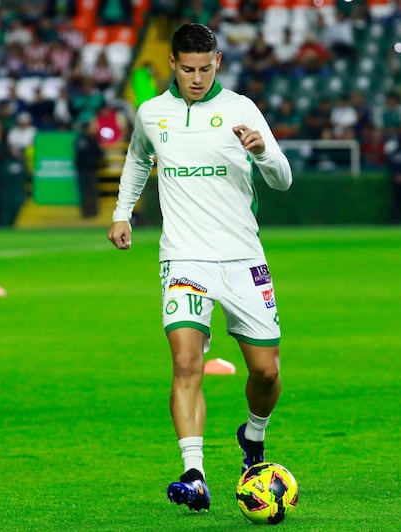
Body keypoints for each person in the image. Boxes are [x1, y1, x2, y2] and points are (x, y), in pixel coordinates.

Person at [106, 23, 293, 512]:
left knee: (266, 372)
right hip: (183, 257)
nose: (196, 78)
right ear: (172, 63)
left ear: (219, 62)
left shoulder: (241, 109)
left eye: (205, 69)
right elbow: (137, 161)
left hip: (243, 259)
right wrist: (121, 213)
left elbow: (283, 179)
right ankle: (194, 474)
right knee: (187, 363)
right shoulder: (153, 114)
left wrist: (263, 151)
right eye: (187, 69)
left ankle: (253, 437)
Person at [74, 119, 103, 218]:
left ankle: (93, 212)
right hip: (85, 170)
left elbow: (99, 154)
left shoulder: (91, 141)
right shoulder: (81, 140)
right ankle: (86, 212)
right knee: (85, 192)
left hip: (90, 170)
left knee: (91, 192)